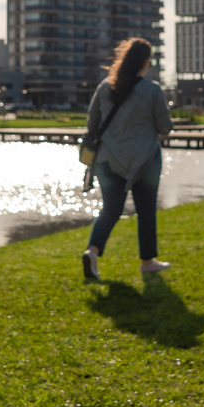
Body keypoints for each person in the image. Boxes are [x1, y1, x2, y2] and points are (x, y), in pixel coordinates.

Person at [81, 37, 174, 280]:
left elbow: (91, 125)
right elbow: (165, 128)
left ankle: (92, 251)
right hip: (145, 159)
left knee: (110, 209)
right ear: (146, 62)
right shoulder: (152, 90)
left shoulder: (104, 87)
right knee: (146, 211)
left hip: (107, 159)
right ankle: (147, 261)